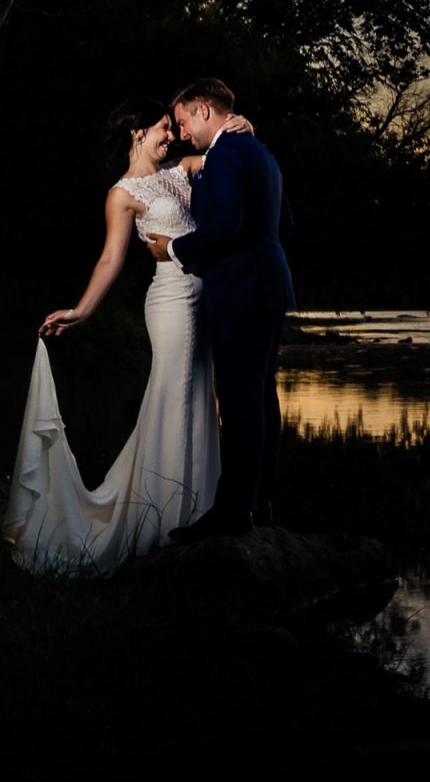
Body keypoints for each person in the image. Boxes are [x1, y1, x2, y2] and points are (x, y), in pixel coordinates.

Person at [2, 98, 249, 573]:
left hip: (206, 302)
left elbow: (226, 150)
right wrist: (81, 311)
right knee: (173, 397)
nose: (170, 135)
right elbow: (111, 259)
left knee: (199, 398)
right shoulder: (122, 194)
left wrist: (243, 125)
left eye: (170, 128)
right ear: (136, 133)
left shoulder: (181, 168)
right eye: (161, 127)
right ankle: (160, 522)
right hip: (171, 304)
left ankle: (197, 512)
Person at [149, 76, 293, 539]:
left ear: (205, 109)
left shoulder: (229, 153)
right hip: (268, 284)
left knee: (240, 402)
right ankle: (261, 500)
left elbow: (226, 228)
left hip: (242, 289)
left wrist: (172, 248)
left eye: (185, 119)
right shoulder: (257, 151)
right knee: (261, 399)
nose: (183, 130)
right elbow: (283, 220)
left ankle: (233, 513)